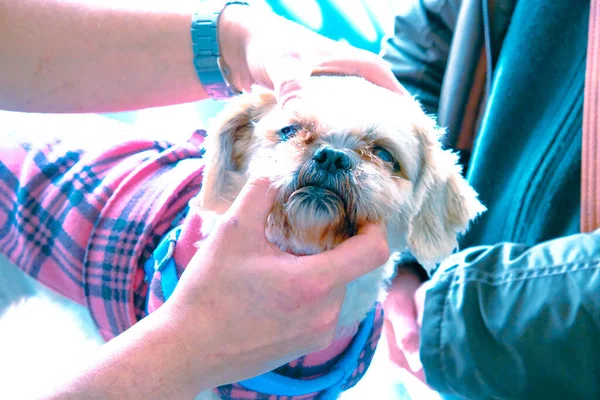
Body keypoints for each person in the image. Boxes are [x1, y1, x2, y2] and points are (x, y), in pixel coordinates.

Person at [0, 0, 401, 398]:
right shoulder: (169, 275)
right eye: (290, 132)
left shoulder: (358, 344)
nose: (329, 158)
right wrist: (190, 343)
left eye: (382, 153)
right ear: (234, 147)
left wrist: (239, 39)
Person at [380, 0, 600, 398]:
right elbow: (432, 37)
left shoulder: (457, 316)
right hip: (458, 355)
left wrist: (464, 314)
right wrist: (402, 241)